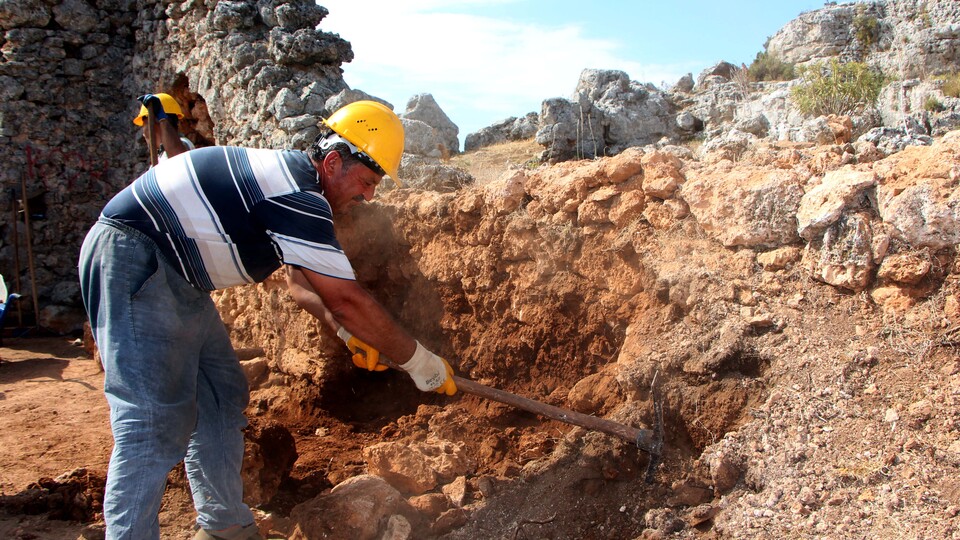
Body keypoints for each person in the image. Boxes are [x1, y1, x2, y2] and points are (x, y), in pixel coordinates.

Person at [79, 100, 457, 540]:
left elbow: (301, 284)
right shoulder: (297, 194)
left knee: (221, 394)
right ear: (333, 162)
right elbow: (347, 299)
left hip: (179, 278)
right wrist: (419, 362)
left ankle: (224, 527)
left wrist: (345, 334)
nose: (369, 195)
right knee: (152, 418)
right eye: (367, 181)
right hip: (136, 258)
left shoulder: (297, 190)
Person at [133, 92, 195, 164]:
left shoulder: (183, 144)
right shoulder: (161, 157)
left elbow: (179, 160)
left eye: (144, 125)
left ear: (154, 122)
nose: (143, 134)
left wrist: (163, 120)